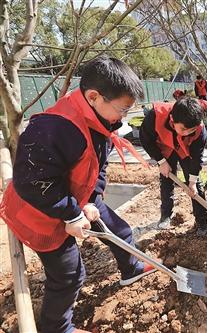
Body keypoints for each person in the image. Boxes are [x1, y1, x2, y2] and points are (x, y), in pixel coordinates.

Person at [0, 55, 156, 333]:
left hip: (73, 200)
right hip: (38, 213)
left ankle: (130, 270)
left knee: (118, 231)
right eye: (122, 109)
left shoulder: (102, 123)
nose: (123, 118)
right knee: (69, 275)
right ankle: (57, 327)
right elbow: (32, 182)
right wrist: (71, 213)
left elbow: (99, 167)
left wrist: (92, 200)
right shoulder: (55, 127)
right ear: (94, 96)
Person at [139, 98, 207, 236]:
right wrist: (160, 161)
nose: (187, 133)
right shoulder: (155, 116)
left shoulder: (199, 130)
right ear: (172, 119)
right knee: (166, 180)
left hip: (185, 150)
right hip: (165, 148)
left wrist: (192, 181)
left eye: (192, 130)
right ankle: (165, 215)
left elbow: (197, 157)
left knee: (196, 187)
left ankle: (202, 222)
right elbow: (145, 139)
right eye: (183, 129)